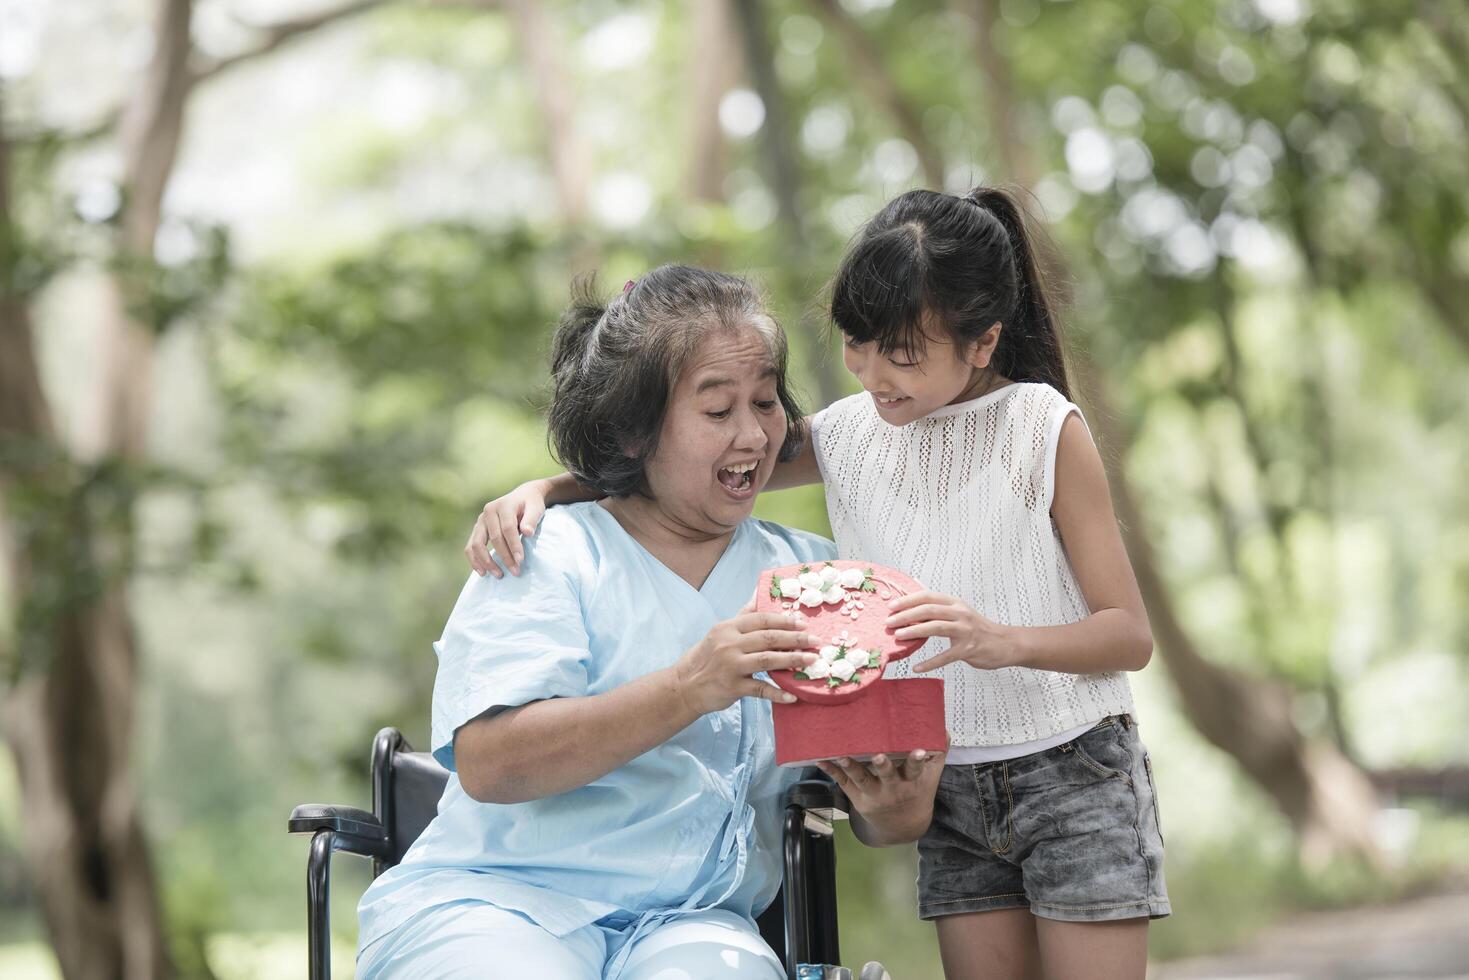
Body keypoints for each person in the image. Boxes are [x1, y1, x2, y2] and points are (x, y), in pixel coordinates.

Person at [466, 188, 1169, 980]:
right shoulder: (847, 433)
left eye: (901, 354)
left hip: (1072, 767)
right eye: (856, 344)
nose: (871, 373)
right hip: (950, 782)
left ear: (982, 343)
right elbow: (677, 459)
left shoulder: (1043, 428)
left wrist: (997, 640)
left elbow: (1127, 634)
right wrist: (545, 490)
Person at [356, 265, 943, 980]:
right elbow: (489, 763)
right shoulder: (543, 552)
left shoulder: (814, 582)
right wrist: (687, 687)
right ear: (634, 431)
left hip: (693, 927)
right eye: (717, 411)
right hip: (500, 904)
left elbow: (866, 797)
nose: (754, 436)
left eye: (764, 403)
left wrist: (897, 811)